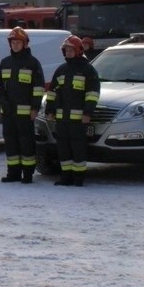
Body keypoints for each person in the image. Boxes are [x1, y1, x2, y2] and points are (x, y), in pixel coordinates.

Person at [0, 27, 45, 184]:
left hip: (26, 112)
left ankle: (27, 174)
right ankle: (13, 173)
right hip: (8, 111)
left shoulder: (33, 63)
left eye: (18, 42)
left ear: (25, 44)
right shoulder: (5, 62)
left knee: (26, 143)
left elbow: (38, 88)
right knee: (10, 142)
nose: (15, 45)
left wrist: (35, 108)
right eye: (13, 42)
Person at [45, 35, 100, 186]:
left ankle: (78, 178)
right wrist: (50, 110)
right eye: (66, 50)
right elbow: (52, 92)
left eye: (71, 49)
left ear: (78, 50)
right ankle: (65, 177)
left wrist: (88, 113)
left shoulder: (88, 69)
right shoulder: (61, 70)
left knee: (78, 148)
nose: (68, 52)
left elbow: (93, 93)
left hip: (78, 119)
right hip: (62, 118)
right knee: (63, 148)